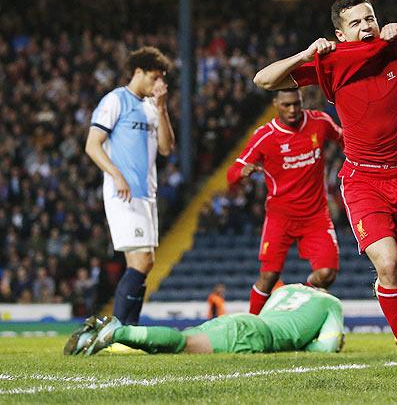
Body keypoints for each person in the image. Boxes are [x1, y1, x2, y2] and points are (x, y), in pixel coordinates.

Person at [253, 0, 397, 386]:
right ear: (340, 33)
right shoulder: (330, 62)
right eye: (356, 23)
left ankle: (393, 297)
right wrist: (305, 53)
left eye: (370, 18)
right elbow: (263, 79)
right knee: (388, 267)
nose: (367, 26)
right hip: (365, 181)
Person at [227, 89, 343, 314]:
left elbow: (343, 138)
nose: (292, 110)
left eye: (296, 104)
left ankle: (299, 299)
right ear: (275, 104)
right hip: (280, 218)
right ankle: (253, 325)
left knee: (327, 274)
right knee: (268, 277)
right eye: (286, 105)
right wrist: (242, 173)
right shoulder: (265, 136)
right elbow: (231, 174)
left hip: (316, 216)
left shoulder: (319, 122)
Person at [85, 47, 175, 325]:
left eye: (162, 78)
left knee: (144, 263)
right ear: (138, 72)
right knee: (142, 262)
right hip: (123, 193)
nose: (159, 83)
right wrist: (116, 174)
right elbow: (92, 145)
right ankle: (118, 328)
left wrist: (161, 109)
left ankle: (128, 330)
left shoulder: (151, 108)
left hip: (147, 194)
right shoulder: (115, 101)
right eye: (154, 77)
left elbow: (166, 147)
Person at [64, 284, 344, 356]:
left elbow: (263, 314)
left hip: (241, 322)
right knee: (181, 344)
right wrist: (307, 345)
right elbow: (327, 348)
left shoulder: (287, 289)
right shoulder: (331, 303)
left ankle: (106, 340)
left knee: (174, 345)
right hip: (252, 336)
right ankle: (119, 332)